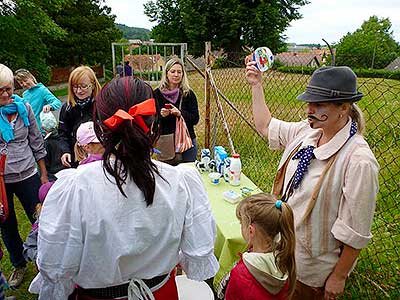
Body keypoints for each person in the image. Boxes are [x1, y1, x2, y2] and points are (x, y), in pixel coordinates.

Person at [32, 76, 219, 300]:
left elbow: (57, 267)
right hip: (161, 293)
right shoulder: (179, 182)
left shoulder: (76, 188)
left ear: (100, 128)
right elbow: (196, 254)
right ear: (153, 125)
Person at [245, 62, 379, 300]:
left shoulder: (358, 161)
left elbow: (356, 231)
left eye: (318, 104)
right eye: (309, 102)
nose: (309, 109)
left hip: (312, 272)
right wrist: (257, 85)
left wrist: (339, 276)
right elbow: (265, 126)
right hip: (282, 253)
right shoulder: (307, 133)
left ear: (344, 108)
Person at [0, 64, 48, 288]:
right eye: (0, 90)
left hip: (28, 173)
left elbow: (37, 142)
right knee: (6, 224)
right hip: (2, 180)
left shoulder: (24, 108)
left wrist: (44, 177)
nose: (6, 94)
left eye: (8, 88)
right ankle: (19, 264)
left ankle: (44, 261)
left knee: (41, 221)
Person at [222, 193, 296, 300]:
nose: (240, 225)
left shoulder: (240, 274)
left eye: (241, 223)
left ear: (251, 230)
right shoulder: (285, 260)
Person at [154, 57, 199, 162]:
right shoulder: (156, 94)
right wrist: (161, 115)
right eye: (173, 71)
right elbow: (151, 120)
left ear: (183, 74)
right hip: (166, 141)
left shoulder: (188, 94)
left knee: (188, 172)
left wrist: (180, 114)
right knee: (167, 175)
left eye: (179, 72)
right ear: (166, 73)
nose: (176, 75)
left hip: (187, 141)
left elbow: (195, 119)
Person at [58, 66, 101, 168]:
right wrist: (65, 151)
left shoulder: (101, 105)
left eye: (83, 86)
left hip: (98, 157)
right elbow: (63, 133)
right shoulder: (67, 107)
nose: (79, 91)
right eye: (75, 86)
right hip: (76, 158)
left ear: (93, 85)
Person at [40, 112, 65, 181]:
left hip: (53, 176)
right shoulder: (63, 137)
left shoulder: (46, 143)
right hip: (65, 173)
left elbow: (45, 164)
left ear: (43, 127)